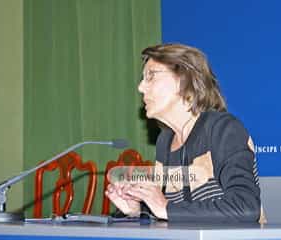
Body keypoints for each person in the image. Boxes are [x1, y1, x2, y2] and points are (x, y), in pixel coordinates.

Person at [105, 43, 264, 223]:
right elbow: (174, 211)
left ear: (185, 80)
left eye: (151, 76)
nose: (141, 87)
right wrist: (137, 210)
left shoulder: (223, 130)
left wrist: (164, 208)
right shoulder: (165, 141)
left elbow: (245, 207)